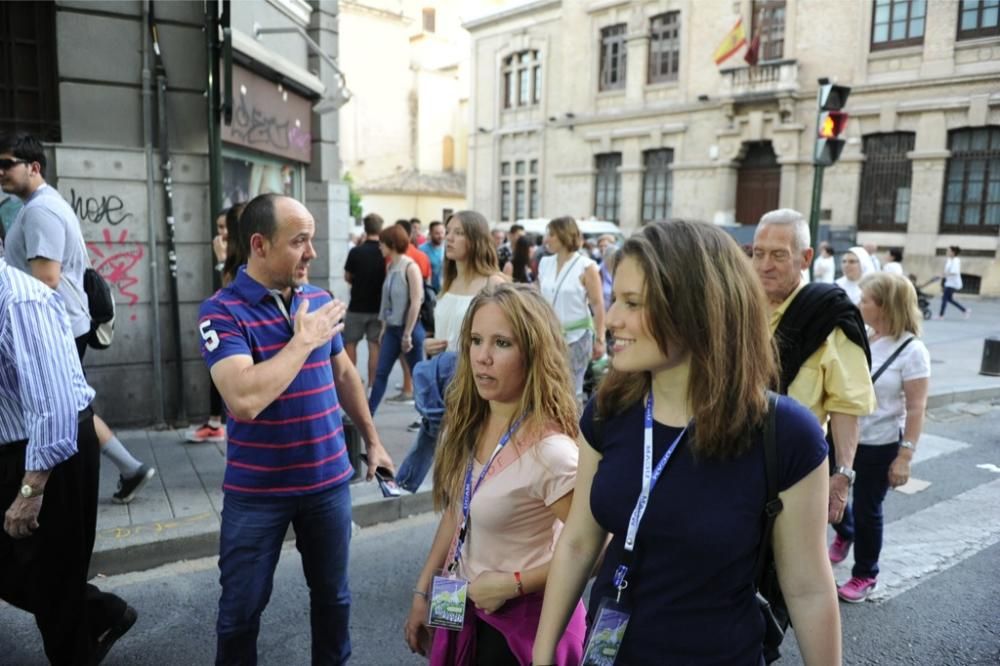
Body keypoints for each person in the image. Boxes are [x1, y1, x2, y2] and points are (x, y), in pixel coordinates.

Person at [533, 220, 840, 665]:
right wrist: (544, 656)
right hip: (607, 653)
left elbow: (808, 588)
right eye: (615, 297)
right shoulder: (608, 411)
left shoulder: (786, 434)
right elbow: (579, 541)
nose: (613, 318)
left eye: (633, 303)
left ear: (697, 310)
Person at [197, 193, 394, 665]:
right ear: (260, 245)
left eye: (312, 240)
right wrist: (304, 340)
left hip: (328, 485)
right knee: (239, 614)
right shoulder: (220, 312)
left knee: (333, 601)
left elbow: (345, 374)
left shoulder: (319, 300)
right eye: (300, 241)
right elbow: (243, 400)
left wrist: (373, 440)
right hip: (257, 493)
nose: (313, 253)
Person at [405, 283, 586, 664]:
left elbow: (592, 546)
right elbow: (459, 510)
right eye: (475, 340)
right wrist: (423, 591)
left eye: (502, 343)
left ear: (533, 354)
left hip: (526, 631)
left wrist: (514, 584)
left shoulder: (552, 452)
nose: (482, 357)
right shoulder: (472, 422)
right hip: (467, 611)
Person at [0, 132, 155, 504]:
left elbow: (46, 279)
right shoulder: (40, 205)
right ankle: (129, 468)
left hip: (55, 328)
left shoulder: (40, 210)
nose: (0, 171)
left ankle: (58, 485)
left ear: (33, 167)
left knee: (68, 407)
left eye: (7, 164)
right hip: (62, 324)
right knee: (73, 405)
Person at [0, 257, 136, 665]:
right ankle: (99, 612)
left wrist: (30, 489)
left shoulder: (21, 301)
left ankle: (85, 631)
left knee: (55, 581)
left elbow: (54, 406)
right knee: (36, 576)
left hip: (49, 450)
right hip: (15, 442)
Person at [752, 209, 875, 526]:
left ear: (805, 258)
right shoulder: (739, 310)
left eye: (779, 255)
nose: (765, 265)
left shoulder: (828, 317)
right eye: (759, 253)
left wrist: (843, 474)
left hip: (795, 476)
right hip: (732, 466)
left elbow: (846, 405)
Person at [830, 272, 930, 603]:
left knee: (869, 508)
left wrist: (905, 457)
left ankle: (865, 575)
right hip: (845, 436)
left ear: (885, 306)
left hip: (879, 443)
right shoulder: (868, 337)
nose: (859, 304)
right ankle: (846, 533)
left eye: (866, 300)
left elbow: (916, 409)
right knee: (830, 495)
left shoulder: (913, 351)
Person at [395, 210, 506, 493]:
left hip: (475, 382)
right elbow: (444, 330)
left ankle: (408, 483)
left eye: (458, 232)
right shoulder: (450, 281)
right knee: (451, 464)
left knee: (469, 466)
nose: (449, 238)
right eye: (449, 232)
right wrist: (427, 343)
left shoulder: (494, 283)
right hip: (443, 377)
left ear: (476, 238)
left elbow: (507, 338)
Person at [537, 216, 605, 400]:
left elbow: (598, 304)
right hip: (549, 336)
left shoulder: (586, 266)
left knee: (570, 390)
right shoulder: (545, 263)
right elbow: (538, 296)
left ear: (564, 235)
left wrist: (600, 338)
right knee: (548, 387)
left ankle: (573, 427)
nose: (546, 239)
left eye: (551, 234)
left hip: (577, 338)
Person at [187, 206, 236, 444]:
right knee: (217, 368)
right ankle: (215, 422)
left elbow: (231, 288)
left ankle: (218, 423)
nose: (223, 232)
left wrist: (221, 260)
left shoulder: (239, 252)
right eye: (219, 227)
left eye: (227, 227)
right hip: (224, 320)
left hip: (237, 323)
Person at [368, 223, 425, 416]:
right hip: (392, 329)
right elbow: (388, 301)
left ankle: (426, 418)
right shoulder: (391, 266)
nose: (379, 247)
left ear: (391, 244)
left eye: (382, 243)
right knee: (381, 374)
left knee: (419, 377)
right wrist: (384, 326)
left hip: (409, 330)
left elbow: (416, 301)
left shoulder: (410, 267)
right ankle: (367, 416)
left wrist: (407, 334)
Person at [344, 212, 386, 387]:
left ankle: (352, 383)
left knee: (350, 344)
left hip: (356, 306)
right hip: (377, 307)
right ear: (380, 228)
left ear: (365, 228)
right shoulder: (384, 252)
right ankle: (372, 384)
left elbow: (347, 276)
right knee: (374, 346)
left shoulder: (356, 251)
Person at [938, 245, 969, 319]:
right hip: (949, 282)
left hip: (953, 283)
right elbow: (947, 270)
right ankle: (965, 310)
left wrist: (944, 275)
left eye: (948, 251)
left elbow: (955, 272)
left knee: (944, 298)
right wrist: (943, 274)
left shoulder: (956, 261)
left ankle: (941, 315)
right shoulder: (949, 260)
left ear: (953, 252)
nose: (947, 252)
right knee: (949, 299)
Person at [420, 220, 445, 293]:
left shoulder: (449, 248)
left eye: (442, 233)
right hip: (430, 291)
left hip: (445, 290)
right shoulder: (422, 250)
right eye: (437, 233)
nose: (440, 236)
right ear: (430, 233)